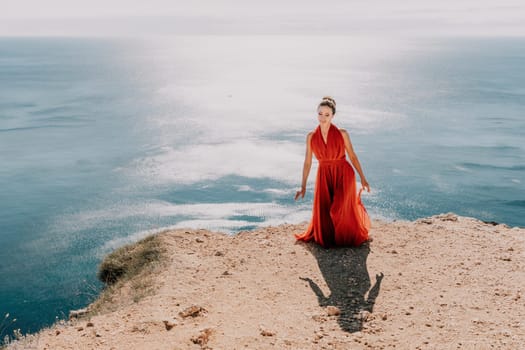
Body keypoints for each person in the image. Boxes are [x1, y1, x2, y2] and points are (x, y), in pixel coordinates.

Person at [294, 96, 371, 248]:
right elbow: (308, 162)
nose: (322, 118)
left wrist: (363, 178)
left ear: (333, 116)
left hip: (344, 173)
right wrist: (303, 186)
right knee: (325, 210)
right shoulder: (311, 137)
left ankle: (347, 236)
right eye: (320, 114)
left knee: (337, 209)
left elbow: (353, 156)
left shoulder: (342, 134)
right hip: (324, 175)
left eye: (327, 115)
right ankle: (334, 238)